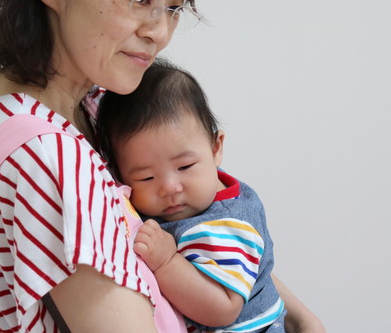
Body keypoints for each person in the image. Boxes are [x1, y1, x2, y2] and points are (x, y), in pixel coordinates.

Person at [0, 0, 325, 332]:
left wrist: (297, 316)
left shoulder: (91, 106)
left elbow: (205, 228)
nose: (160, 32)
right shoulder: (48, 156)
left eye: (174, 6)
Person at [96, 59, 284, 332]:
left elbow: (223, 309)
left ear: (215, 149)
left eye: (184, 167)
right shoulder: (198, 194)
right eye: (146, 178)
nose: (170, 187)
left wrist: (167, 262)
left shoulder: (227, 224)